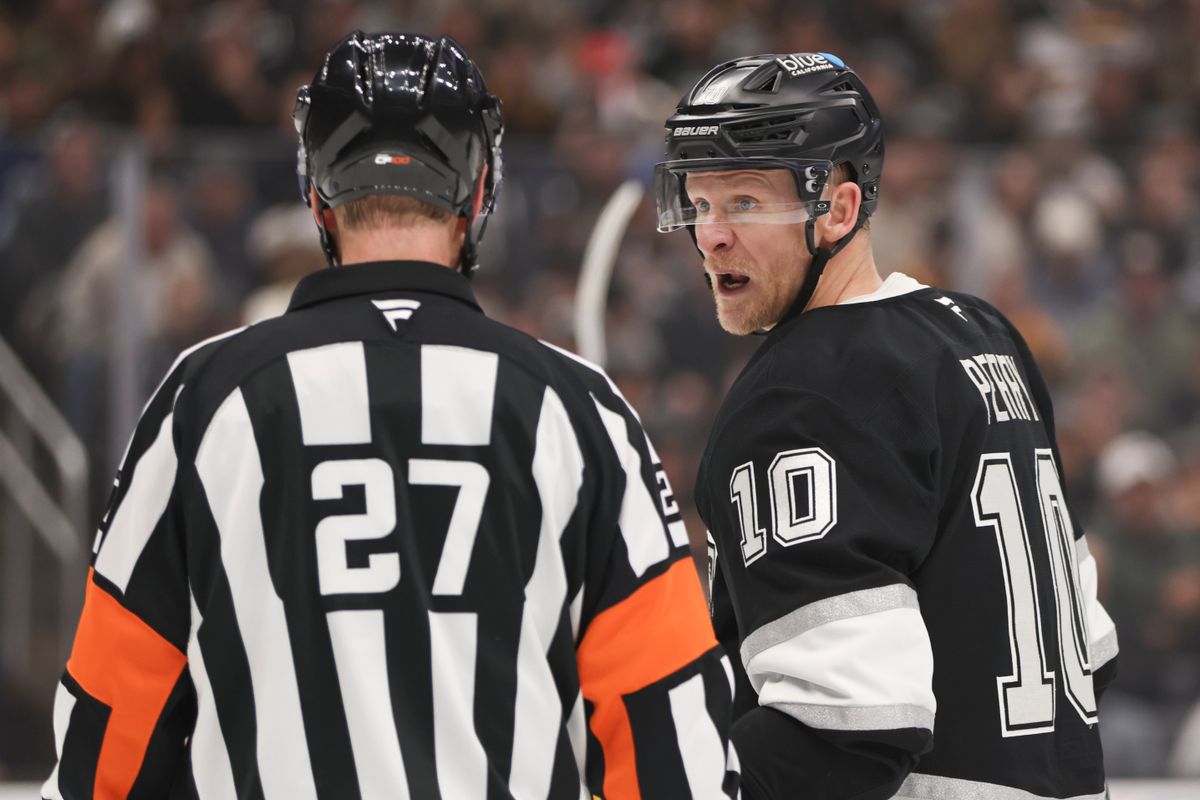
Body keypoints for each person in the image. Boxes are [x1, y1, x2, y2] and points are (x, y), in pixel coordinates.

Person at [43, 32, 738, 799]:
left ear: (316, 197)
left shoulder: (205, 400)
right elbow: (672, 736)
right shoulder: (581, 412)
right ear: (479, 196)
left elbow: (109, 727)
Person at [654, 51, 1118, 799]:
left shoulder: (804, 389)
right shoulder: (984, 334)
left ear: (836, 210)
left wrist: (672, 773)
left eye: (743, 202)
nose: (710, 236)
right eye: (700, 204)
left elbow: (848, 728)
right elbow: (1091, 652)